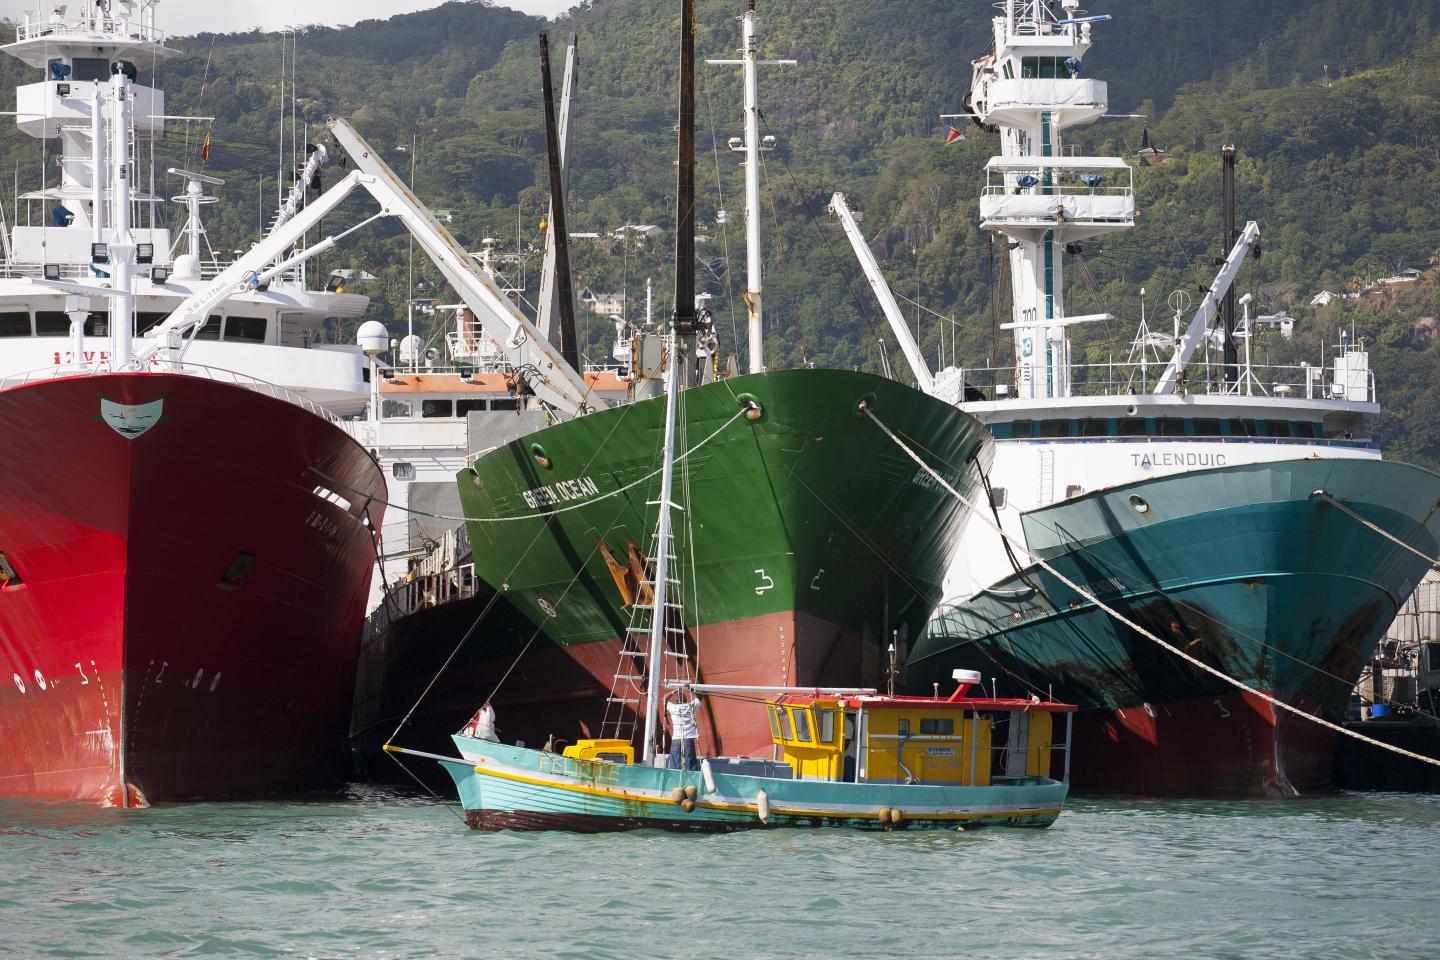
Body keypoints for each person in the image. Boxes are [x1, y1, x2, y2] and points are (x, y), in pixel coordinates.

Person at [665, 687, 702, 771]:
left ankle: (674, 779)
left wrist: (675, 690)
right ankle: (692, 780)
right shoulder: (690, 706)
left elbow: (664, 699)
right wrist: (690, 689)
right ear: (686, 700)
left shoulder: (673, 708)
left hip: (676, 738)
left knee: (674, 761)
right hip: (688, 738)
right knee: (690, 761)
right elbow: (699, 697)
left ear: (676, 701)